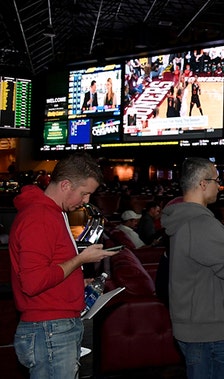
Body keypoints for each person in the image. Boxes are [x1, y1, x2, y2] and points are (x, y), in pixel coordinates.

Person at [10, 153, 115, 379]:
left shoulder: (52, 213)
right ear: (66, 185)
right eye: (84, 193)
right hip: (49, 328)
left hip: (53, 326)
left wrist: (77, 280)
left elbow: (50, 267)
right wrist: (80, 259)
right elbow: (33, 282)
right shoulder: (40, 217)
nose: (86, 200)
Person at [162, 158, 224, 379]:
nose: (219, 186)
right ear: (202, 183)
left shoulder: (180, 218)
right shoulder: (200, 223)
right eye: (216, 180)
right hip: (207, 330)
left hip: (193, 326)